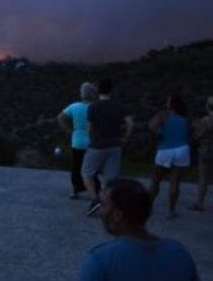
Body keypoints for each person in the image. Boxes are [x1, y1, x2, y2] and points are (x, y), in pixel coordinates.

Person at [60, 179, 205, 281]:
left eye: (103, 205)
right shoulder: (179, 253)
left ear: (117, 215)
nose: (100, 212)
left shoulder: (100, 259)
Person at [81, 78, 134, 216]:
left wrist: (91, 139)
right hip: (115, 145)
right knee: (111, 179)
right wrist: (125, 138)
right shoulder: (119, 106)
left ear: (98, 90)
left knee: (87, 173)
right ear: (112, 90)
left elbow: (89, 128)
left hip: (97, 145)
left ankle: (95, 199)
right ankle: (109, 204)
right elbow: (130, 124)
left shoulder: (93, 107)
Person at [147, 93, 192, 218]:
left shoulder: (163, 115)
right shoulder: (184, 118)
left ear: (170, 104)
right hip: (182, 149)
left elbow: (151, 126)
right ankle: (171, 210)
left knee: (156, 180)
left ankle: (149, 207)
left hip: (165, 149)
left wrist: (158, 134)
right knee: (175, 182)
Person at [57, 82, 101, 199]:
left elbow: (60, 117)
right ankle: (95, 190)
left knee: (76, 166)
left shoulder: (74, 107)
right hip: (93, 142)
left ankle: (74, 191)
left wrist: (68, 130)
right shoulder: (96, 108)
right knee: (92, 168)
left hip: (77, 141)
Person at [191, 95, 213, 211]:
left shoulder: (205, 120)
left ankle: (199, 203)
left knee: (203, 177)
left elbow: (198, 136)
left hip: (206, 151)